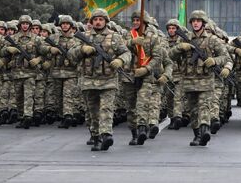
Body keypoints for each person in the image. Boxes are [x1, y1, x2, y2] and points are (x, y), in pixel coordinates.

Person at [68, 8, 131, 151]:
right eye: (95, 19)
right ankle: (96, 137)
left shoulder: (114, 37)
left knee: (106, 108)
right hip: (89, 80)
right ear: (91, 22)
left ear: (106, 21)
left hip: (108, 80)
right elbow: (71, 54)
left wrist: (120, 60)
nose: (98, 22)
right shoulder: (83, 36)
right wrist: (82, 50)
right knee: (93, 111)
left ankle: (106, 134)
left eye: (101, 19)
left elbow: (126, 53)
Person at [170, 10, 231, 146]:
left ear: (203, 23)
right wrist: (179, 48)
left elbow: (225, 57)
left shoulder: (212, 39)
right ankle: (197, 135)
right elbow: (170, 56)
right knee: (193, 110)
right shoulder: (183, 38)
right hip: (189, 80)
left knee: (204, 107)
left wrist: (214, 61)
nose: (196, 23)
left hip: (206, 80)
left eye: (198, 21)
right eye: (193, 21)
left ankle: (205, 131)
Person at [0, 14, 48, 129]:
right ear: (20, 25)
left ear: (29, 25)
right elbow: (2, 53)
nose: (25, 26)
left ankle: (28, 117)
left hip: (30, 73)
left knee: (28, 95)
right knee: (19, 96)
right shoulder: (14, 38)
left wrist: (38, 59)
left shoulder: (36, 39)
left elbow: (44, 52)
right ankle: (21, 116)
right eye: (23, 24)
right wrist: (7, 49)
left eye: (27, 24)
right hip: (16, 72)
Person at [122, 10, 162, 146]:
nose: (135, 22)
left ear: (144, 22)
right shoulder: (127, 35)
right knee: (131, 107)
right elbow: (118, 48)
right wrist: (131, 42)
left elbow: (157, 58)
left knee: (142, 103)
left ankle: (142, 128)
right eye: (133, 20)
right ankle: (134, 133)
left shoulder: (153, 37)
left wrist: (146, 68)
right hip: (129, 75)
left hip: (145, 75)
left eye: (138, 20)